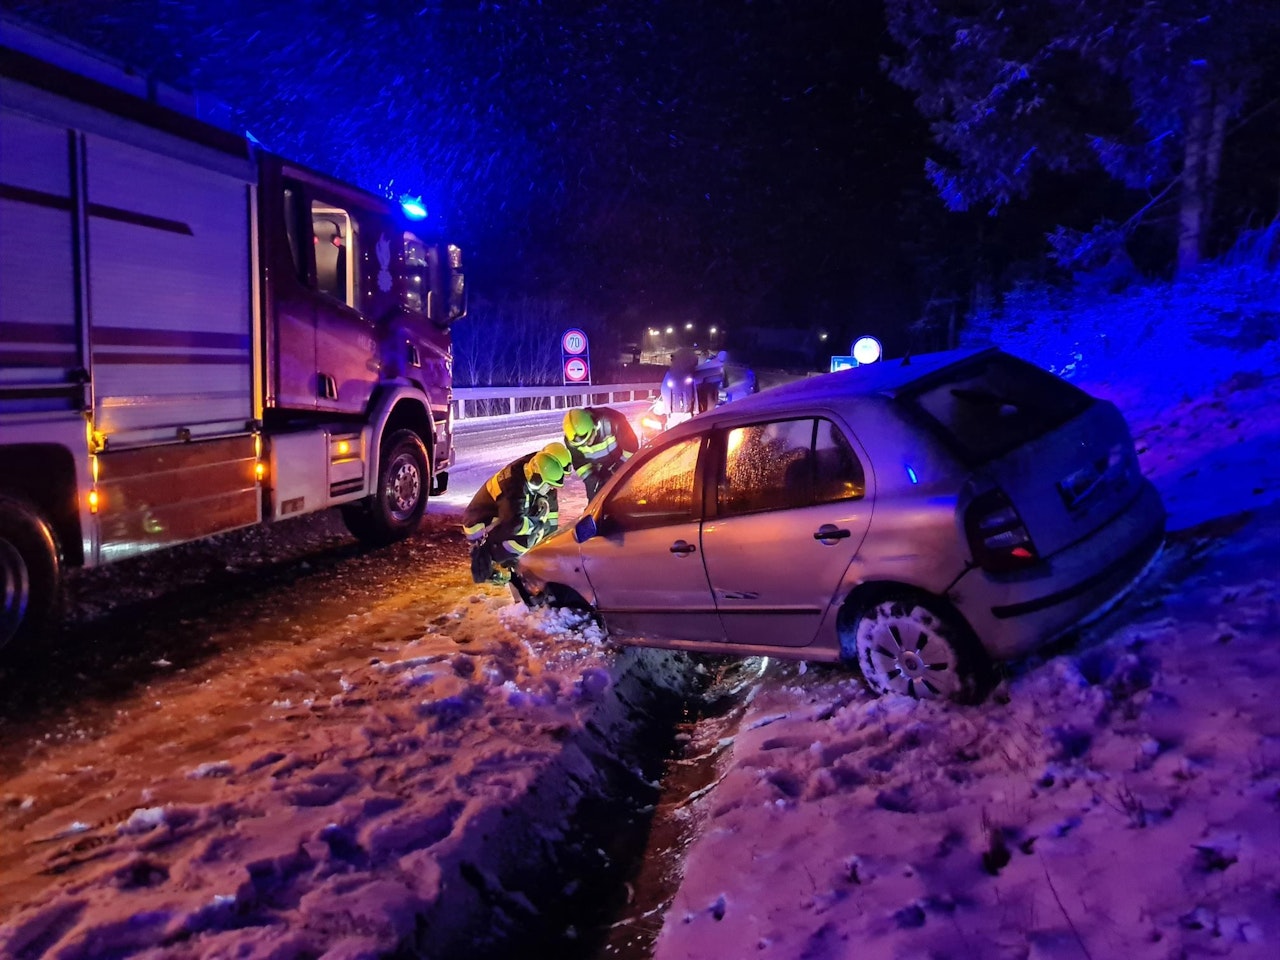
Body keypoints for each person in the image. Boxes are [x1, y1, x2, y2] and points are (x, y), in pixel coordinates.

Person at [462, 442, 569, 584]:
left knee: (537, 520)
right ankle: (494, 556)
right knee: (526, 539)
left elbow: (551, 517)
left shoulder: (540, 468)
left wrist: (552, 547)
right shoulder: (514, 484)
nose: (550, 489)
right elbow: (513, 524)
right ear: (538, 479)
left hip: (498, 516)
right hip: (479, 524)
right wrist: (536, 526)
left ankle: (505, 555)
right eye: (549, 485)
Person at [563, 405, 640, 499]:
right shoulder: (572, 442)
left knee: (628, 498)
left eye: (588, 439)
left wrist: (617, 469)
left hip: (623, 465)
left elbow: (631, 448)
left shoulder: (613, 421)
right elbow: (580, 465)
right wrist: (591, 480)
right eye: (582, 444)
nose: (587, 445)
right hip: (598, 471)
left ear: (594, 426)